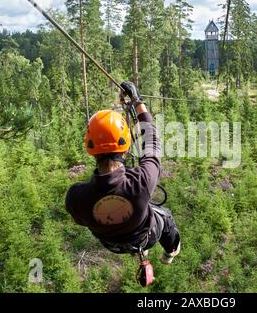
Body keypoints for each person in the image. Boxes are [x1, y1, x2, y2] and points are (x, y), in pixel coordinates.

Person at [65, 81, 181, 265]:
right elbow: (151, 140)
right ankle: (170, 252)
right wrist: (137, 101)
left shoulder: (76, 197)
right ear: (126, 149)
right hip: (145, 237)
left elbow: (81, 220)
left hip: (111, 244)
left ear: (91, 150)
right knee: (165, 216)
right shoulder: (141, 182)